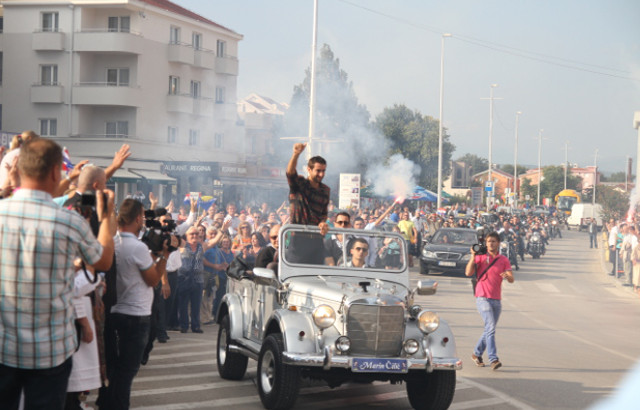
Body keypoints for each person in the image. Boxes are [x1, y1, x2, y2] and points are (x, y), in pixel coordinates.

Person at [0, 138, 115, 410]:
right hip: (50, 352)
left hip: (4, 346)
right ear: (54, 171)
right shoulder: (68, 220)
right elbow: (104, 260)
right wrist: (107, 216)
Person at [106, 198, 174, 410]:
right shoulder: (136, 247)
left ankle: (109, 404)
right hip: (136, 316)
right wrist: (165, 255)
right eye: (143, 217)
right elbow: (153, 280)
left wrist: (154, 253)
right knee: (127, 371)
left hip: (115, 311)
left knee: (115, 370)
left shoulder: (113, 242)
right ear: (137, 218)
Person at [465, 232, 514, 371]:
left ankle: (476, 354)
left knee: (489, 329)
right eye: (488, 241)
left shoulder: (503, 259)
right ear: (485, 243)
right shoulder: (480, 257)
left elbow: (511, 278)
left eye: (493, 241)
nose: (490, 244)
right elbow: (468, 273)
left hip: (496, 300)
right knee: (491, 327)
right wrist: (473, 257)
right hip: (482, 297)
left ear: (498, 243)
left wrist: (507, 276)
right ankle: (493, 358)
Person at [286, 143, 330, 264]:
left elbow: (323, 213)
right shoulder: (299, 184)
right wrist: (296, 154)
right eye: (318, 171)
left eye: (323, 171)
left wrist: (322, 223)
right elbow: (290, 173)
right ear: (309, 169)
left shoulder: (325, 190)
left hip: (317, 240)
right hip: (299, 239)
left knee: (316, 277)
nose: (321, 174)